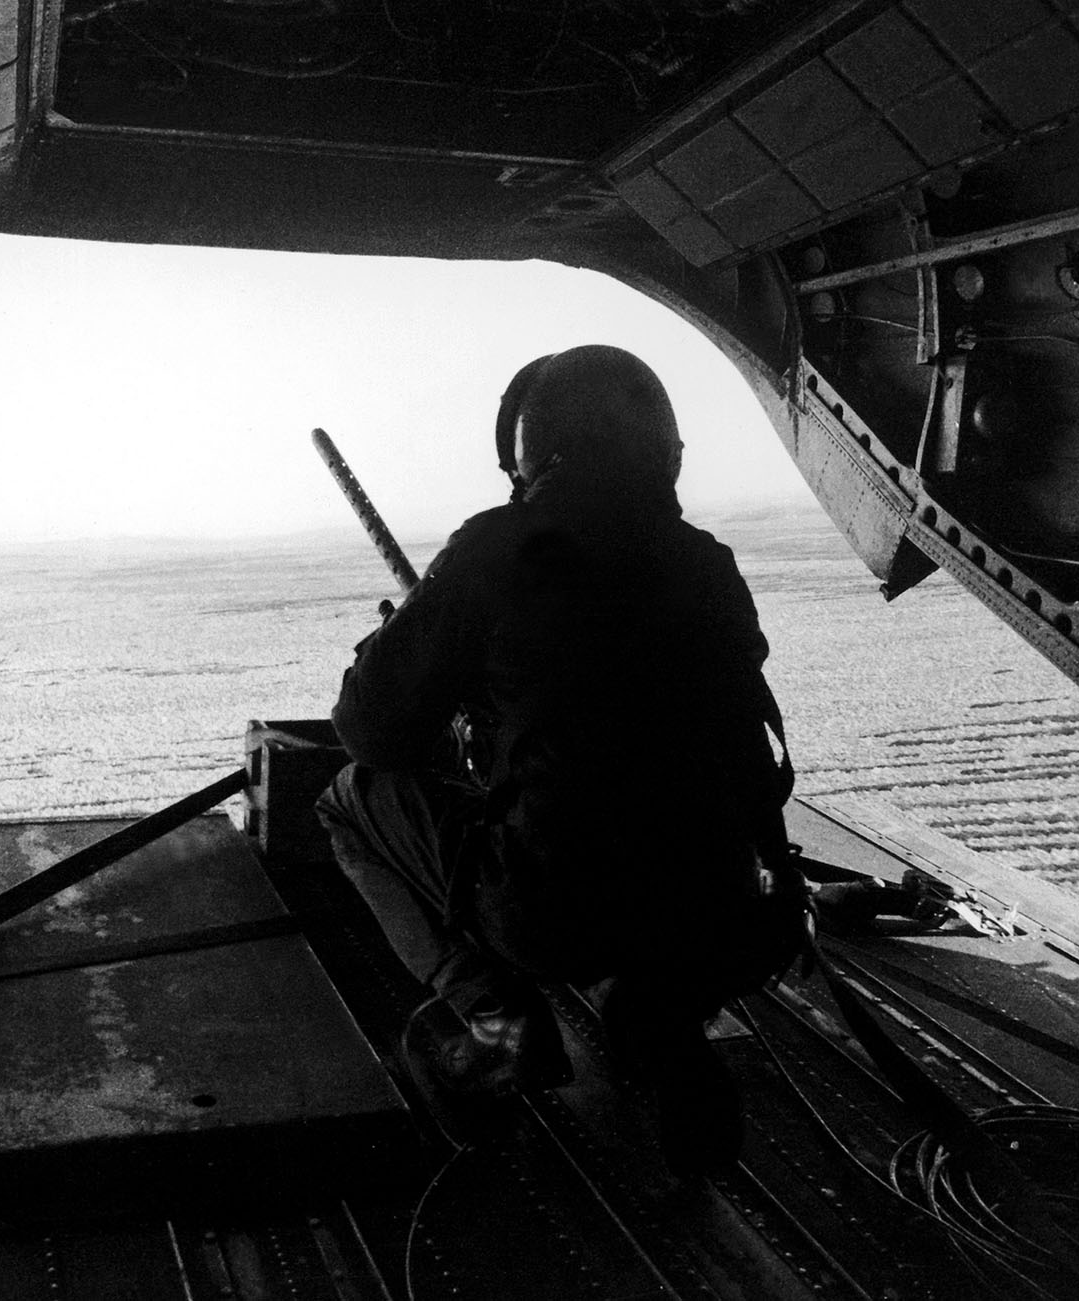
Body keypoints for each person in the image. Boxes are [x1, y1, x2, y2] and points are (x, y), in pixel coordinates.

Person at [315, 345, 805, 1173]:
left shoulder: (500, 548)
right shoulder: (706, 563)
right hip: (729, 921)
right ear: (667, 454)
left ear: (533, 458)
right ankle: (661, 1018)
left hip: (559, 915)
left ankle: (493, 1014)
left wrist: (401, 642)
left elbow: (373, 733)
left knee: (346, 799)